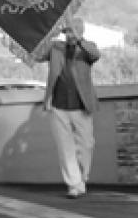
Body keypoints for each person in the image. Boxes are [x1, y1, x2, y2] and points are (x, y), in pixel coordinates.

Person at [40, 17, 100, 198]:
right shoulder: (55, 47)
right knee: (65, 147)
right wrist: (51, 34)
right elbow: (37, 55)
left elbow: (95, 55)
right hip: (59, 104)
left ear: (80, 31)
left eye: (72, 31)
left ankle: (81, 178)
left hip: (81, 105)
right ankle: (73, 184)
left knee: (87, 144)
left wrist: (79, 40)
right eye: (67, 32)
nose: (69, 35)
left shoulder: (87, 47)